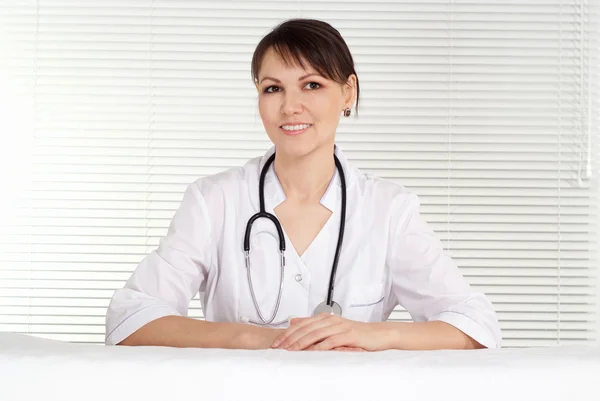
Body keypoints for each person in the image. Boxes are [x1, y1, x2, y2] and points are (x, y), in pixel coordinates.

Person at [105, 18, 502, 352]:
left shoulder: (388, 210)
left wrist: (370, 335)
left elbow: (475, 324)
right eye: (273, 88)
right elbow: (131, 317)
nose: (290, 106)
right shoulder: (215, 200)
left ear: (348, 92)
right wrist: (254, 338)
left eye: (312, 85)